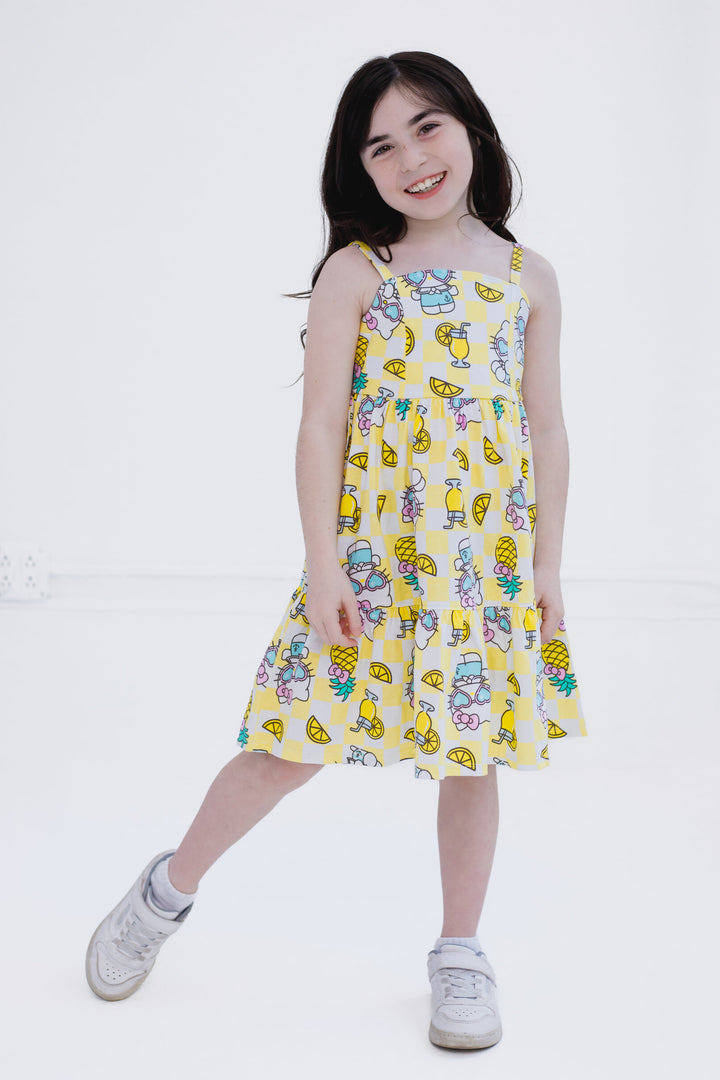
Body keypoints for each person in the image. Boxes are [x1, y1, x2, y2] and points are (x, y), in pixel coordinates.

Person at [86, 50, 587, 1051]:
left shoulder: (528, 278)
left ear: (473, 129)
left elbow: (547, 428)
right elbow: (320, 426)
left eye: (427, 128)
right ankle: (164, 892)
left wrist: (545, 567)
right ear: (360, 169)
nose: (413, 159)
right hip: (370, 561)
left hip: (478, 571)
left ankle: (460, 952)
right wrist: (324, 565)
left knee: (471, 756)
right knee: (288, 746)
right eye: (381, 146)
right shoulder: (358, 273)